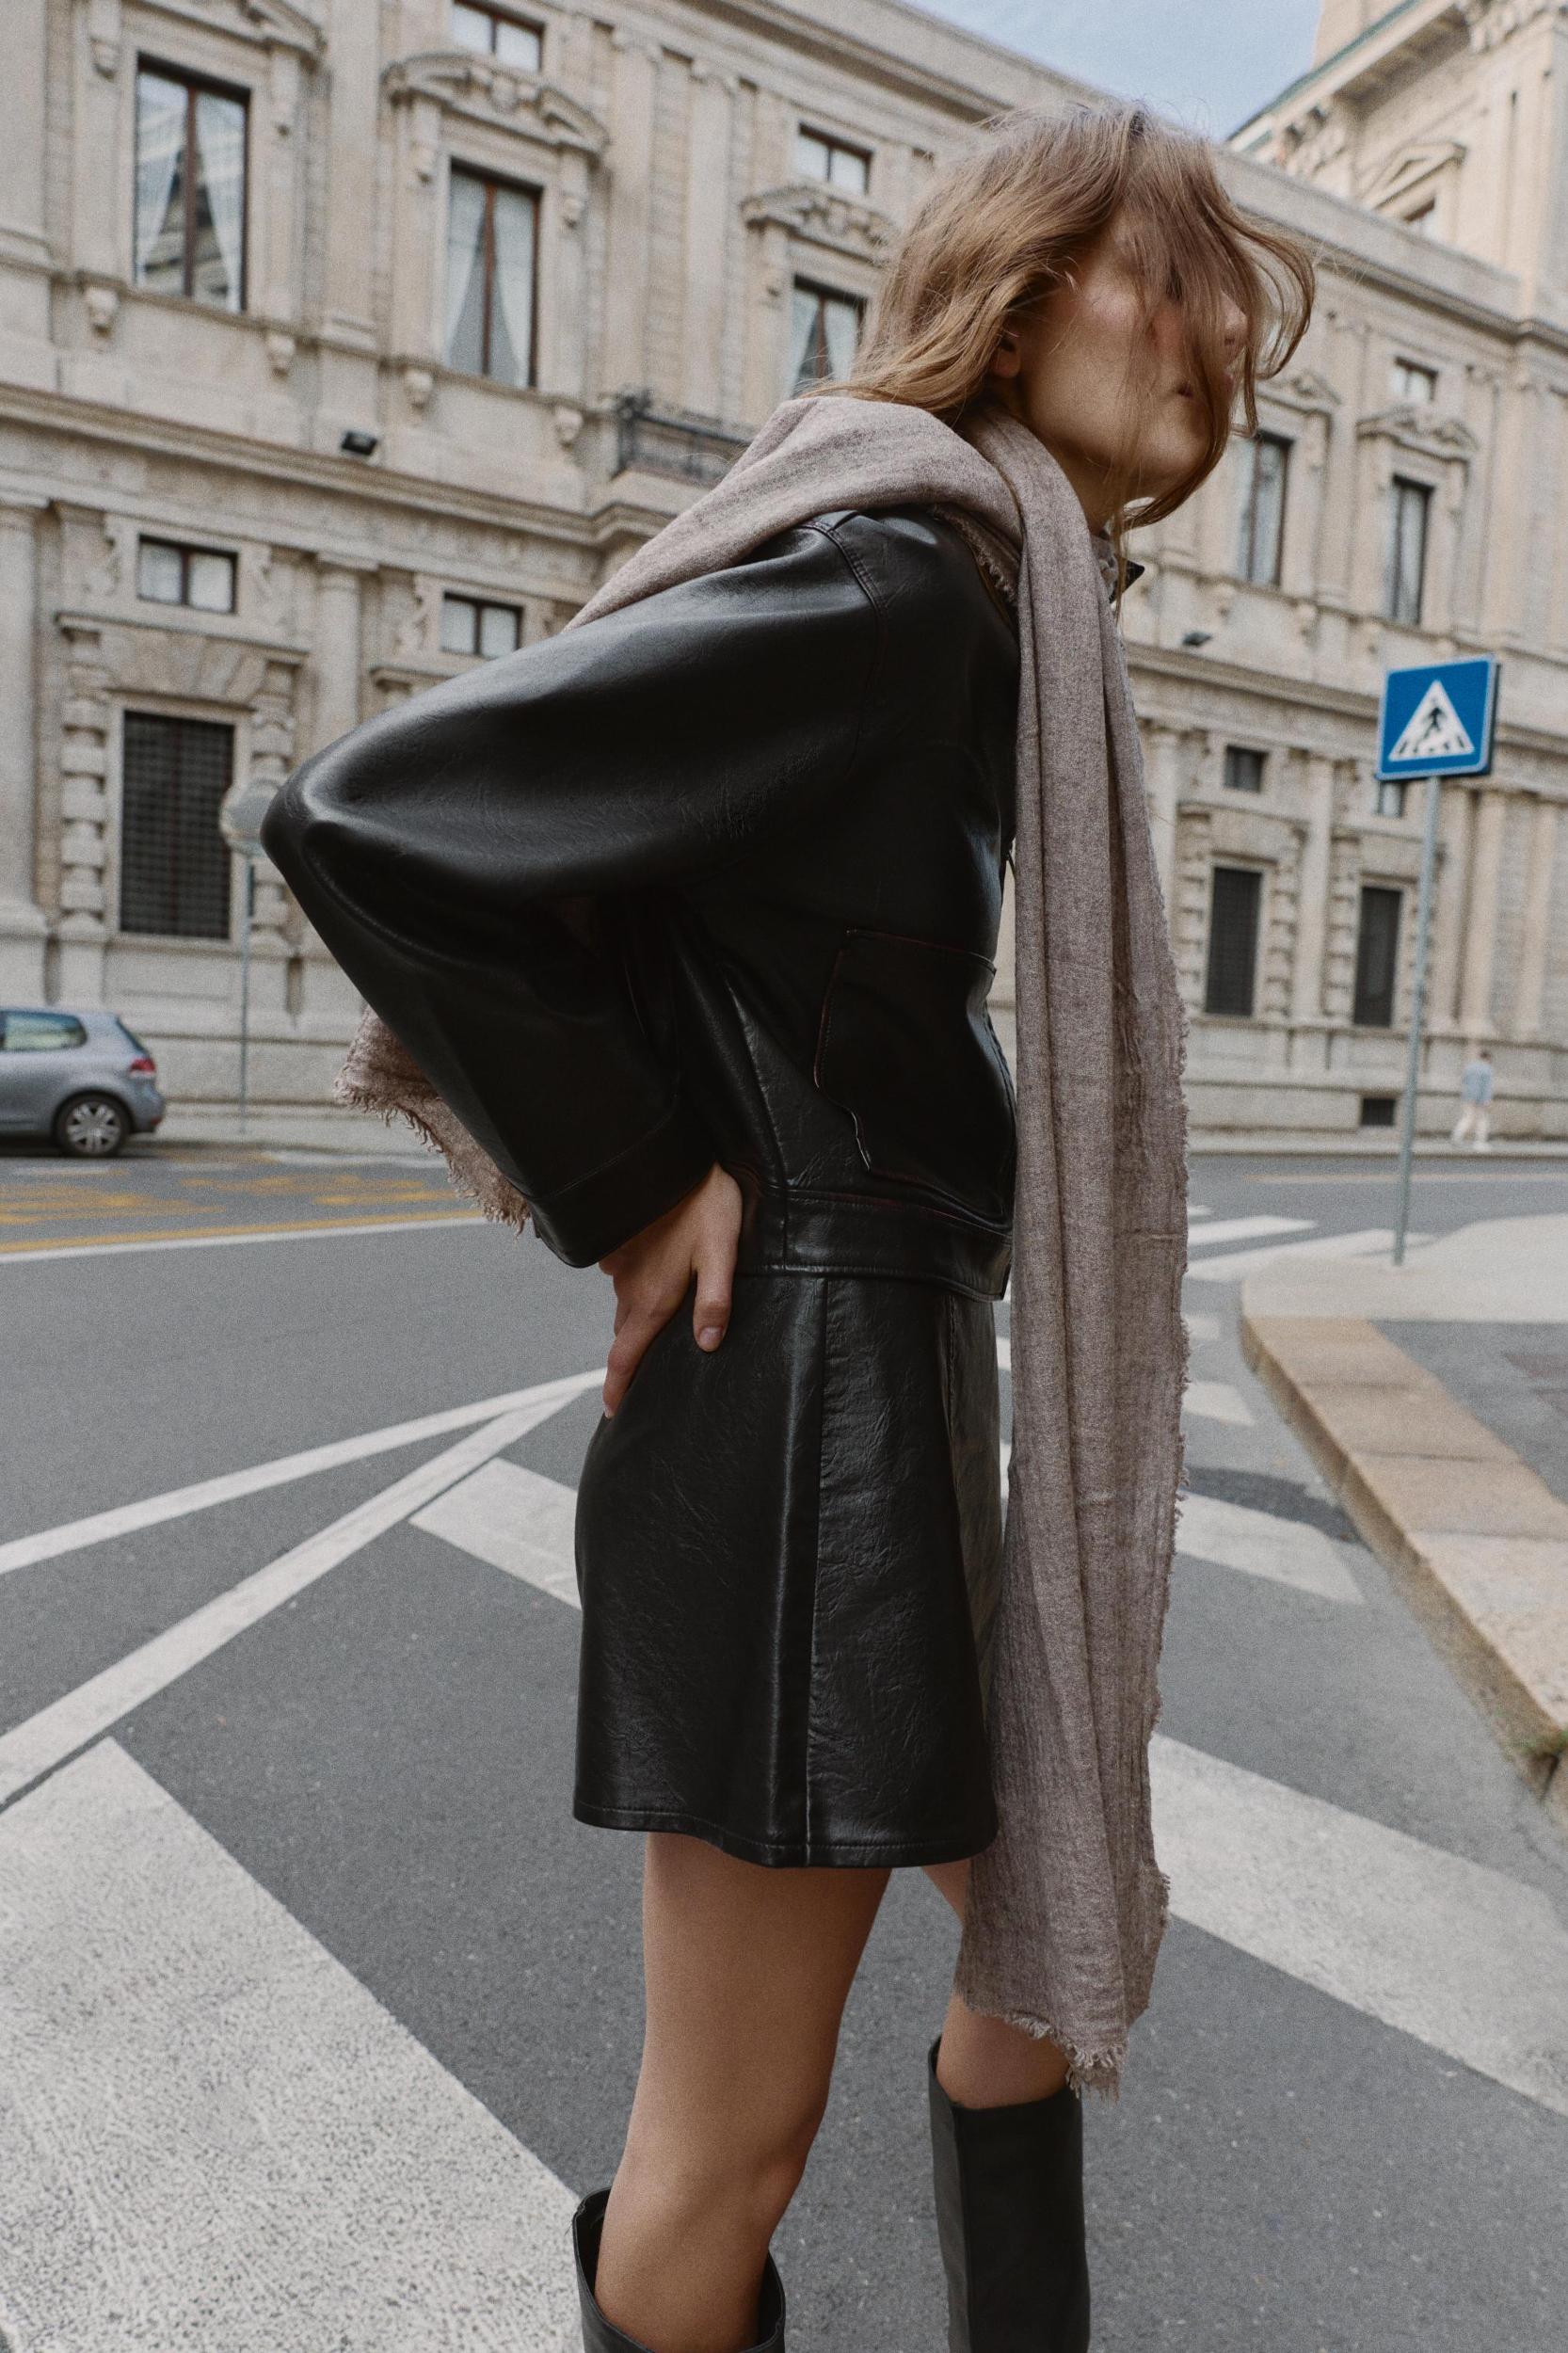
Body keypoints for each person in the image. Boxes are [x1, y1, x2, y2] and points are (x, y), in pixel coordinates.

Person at [263, 104, 1310, 2353]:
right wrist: (638, 1174)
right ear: (1015, 297)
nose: (1213, 337)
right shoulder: (895, 589)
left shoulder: (992, 612)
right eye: (1165, 277)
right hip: (804, 1419)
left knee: (1039, 1957)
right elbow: (369, 815)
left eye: (1231, 304)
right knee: (725, 2147)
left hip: (883, 1393)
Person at [1453, 1048, 1495, 1150]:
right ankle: (1480, 1142)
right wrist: (1487, 1100)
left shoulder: (1470, 1067)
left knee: (1468, 1118)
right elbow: (1486, 1087)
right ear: (1488, 1058)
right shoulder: (1487, 1069)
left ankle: (1457, 1136)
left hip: (1468, 1097)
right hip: (1481, 1099)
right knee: (1482, 1120)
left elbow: (1464, 1081)